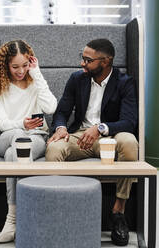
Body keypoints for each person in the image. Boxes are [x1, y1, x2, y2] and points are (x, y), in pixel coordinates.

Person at [45, 38, 138, 246]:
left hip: (109, 136)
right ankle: (62, 213)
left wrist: (101, 128)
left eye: (88, 60)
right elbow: (61, 112)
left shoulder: (125, 83)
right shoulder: (77, 79)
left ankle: (118, 212)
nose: (82, 64)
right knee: (54, 148)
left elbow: (129, 122)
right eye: (82, 58)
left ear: (105, 61)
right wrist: (60, 128)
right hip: (80, 135)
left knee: (130, 142)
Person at [0, 40, 57, 243]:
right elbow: (1, 123)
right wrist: (23, 125)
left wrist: (37, 74)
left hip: (36, 137)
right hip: (5, 137)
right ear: (6, 65)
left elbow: (51, 107)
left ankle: (12, 219)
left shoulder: (35, 80)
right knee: (18, 140)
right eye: (15, 66)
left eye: (25, 65)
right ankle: (27, 219)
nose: (21, 71)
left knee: (15, 152)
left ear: (30, 62)